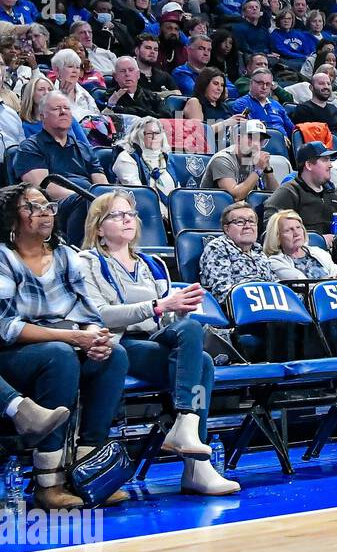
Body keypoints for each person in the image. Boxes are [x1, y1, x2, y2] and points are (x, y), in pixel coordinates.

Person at [77, 190, 237, 495]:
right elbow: (99, 314)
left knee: (190, 330)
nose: (127, 220)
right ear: (98, 226)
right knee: (201, 363)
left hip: (155, 336)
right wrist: (158, 306)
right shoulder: (88, 261)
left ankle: (186, 429)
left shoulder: (152, 263)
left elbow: (166, 322)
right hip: (120, 343)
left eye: (131, 215)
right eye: (117, 215)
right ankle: (195, 463)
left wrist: (176, 309)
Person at [0, 184, 129, 510]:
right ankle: (49, 483)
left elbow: (87, 311)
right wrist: (70, 338)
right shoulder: (3, 258)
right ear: (11, 218)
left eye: (48, 206)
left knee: (114, 354)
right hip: (16, 353)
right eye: (32, 207)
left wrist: (94, 336)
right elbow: (6, 328)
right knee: (59, 357)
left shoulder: (65, 254)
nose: (44, 212)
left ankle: (89, 473)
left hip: (66, 342)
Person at [12, 90, 107, 244]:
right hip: (54, 207)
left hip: (90, 200)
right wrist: (87, 198)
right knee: (84, 203)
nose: (63, 112)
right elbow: (43, 189)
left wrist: (105, 199)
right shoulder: (30, 147)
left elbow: (101, 183)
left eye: (67, 108)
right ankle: (81, 251)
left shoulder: (84, 148)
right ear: (42, 116)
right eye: (56, 109)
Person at [263, 142, 337, 243]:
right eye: (325, 160)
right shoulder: (288, 192)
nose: (330, 165)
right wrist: (317, 240)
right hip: (303, 254)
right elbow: (271, 232)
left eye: (330, 160)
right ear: (308, 165)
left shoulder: (334, 193)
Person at [198, 200, 277, 301]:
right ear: (226, 229)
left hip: (269, 306)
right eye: (240, 222)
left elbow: (276, 284)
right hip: (239, 310)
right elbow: (221, 293)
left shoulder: (259, 251)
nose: (247, 226)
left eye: (252, 221)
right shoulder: (217, 248)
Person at [199, 119, 280, 199]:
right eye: (251, 137)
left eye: (260, 140)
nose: (256, 144)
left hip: (244, 208)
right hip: (218, 208)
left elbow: (277, 196)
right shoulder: (222, 159)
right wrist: (258, 170)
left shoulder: (257, 160)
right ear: (238, 139)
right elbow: (235, 197)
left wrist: (268, 170)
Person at [263, 209, 337, 281]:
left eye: (298, 227)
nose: (296, 233)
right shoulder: (275, 261)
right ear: (277, 237)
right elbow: (303, 284)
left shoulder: (319, 251)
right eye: (288, 230)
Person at [113, 117, 177, 210]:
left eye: (157, 133)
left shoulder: (167, 158)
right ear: (138, 135)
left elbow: (176, 190)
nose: (154, 137)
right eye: (149, 133)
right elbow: (139, 193)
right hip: (141, 210)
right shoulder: (126, 158)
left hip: (170, 213)